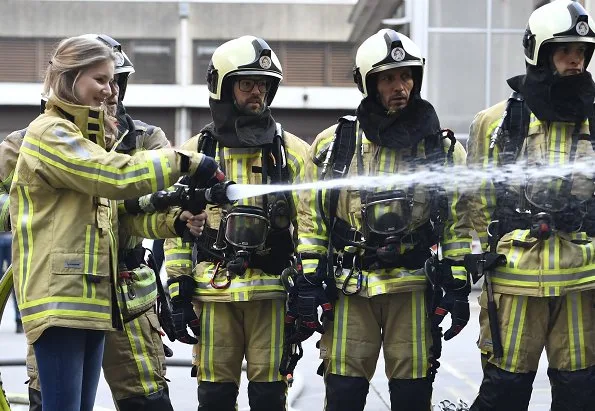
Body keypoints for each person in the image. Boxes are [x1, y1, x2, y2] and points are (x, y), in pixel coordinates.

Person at [7, 34, 217, 411]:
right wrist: (185, 162)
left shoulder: (106, 137)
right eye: (101, 80)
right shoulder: (49, 133)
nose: (110, 90)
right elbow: (114, 178)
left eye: (114, 80)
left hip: (99, 298)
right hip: (62, 297)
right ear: (70, 77)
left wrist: (174, 222)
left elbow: (120, 216)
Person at [294, 29, 473, 411]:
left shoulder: (440, 150)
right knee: (343, 391)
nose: (400, 86)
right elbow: (311, 218)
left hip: (411, 289)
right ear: (368, 82)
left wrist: (457, 281)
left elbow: (459, 220)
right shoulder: (333, 146)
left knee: (412, 394)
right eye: (388, 78)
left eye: (406, 76)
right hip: (350, 291)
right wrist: (310, 278)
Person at [163, 35, 310, 410]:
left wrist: (310, 285)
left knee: (268, 397)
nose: (256, 92)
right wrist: (179, 286)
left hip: (272, 297)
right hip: (214, 298)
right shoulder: (195, 153)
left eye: (263, 84)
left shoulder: (293, 153)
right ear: (223, 86)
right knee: (214, 397)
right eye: (247, 83)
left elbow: (311, 224)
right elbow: (177, 227)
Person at [466, 1, 595, 409]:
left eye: (582, 53)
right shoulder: (496, 122)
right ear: (538, 53)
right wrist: (484, 254)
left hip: (581, 283)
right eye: (563, 52)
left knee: (580, 392)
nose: (575, 62)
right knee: (505, 391)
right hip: (514, 284)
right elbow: (476, 202)